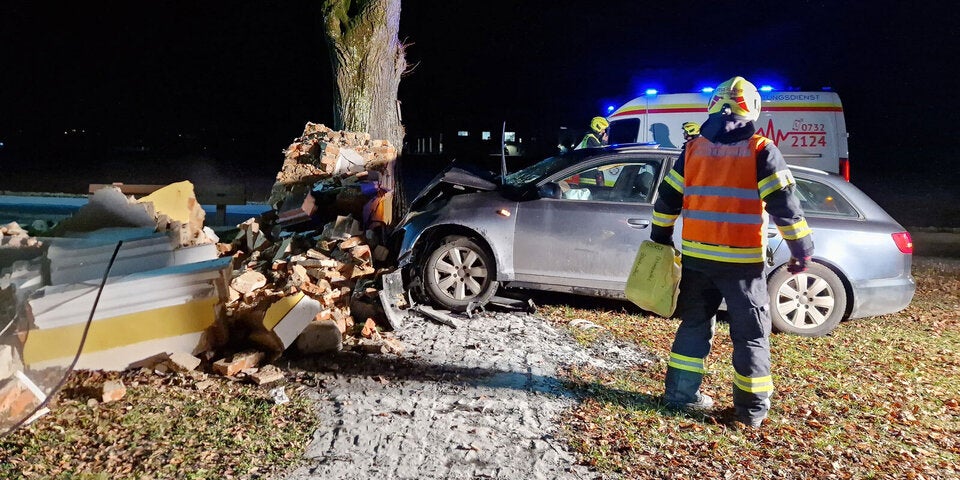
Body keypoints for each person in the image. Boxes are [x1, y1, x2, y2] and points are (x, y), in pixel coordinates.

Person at [649, 76, 814, 428]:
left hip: (697, 260)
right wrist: (802, 251)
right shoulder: (761, 150)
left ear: (713, 105)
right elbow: (785, 206)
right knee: (751, 335)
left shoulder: (693, 149)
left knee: (694, 324)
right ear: (752, 109)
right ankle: (750, 412)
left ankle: (679, 396)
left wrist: (660, 237)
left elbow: (667, 200)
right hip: (742, 264)